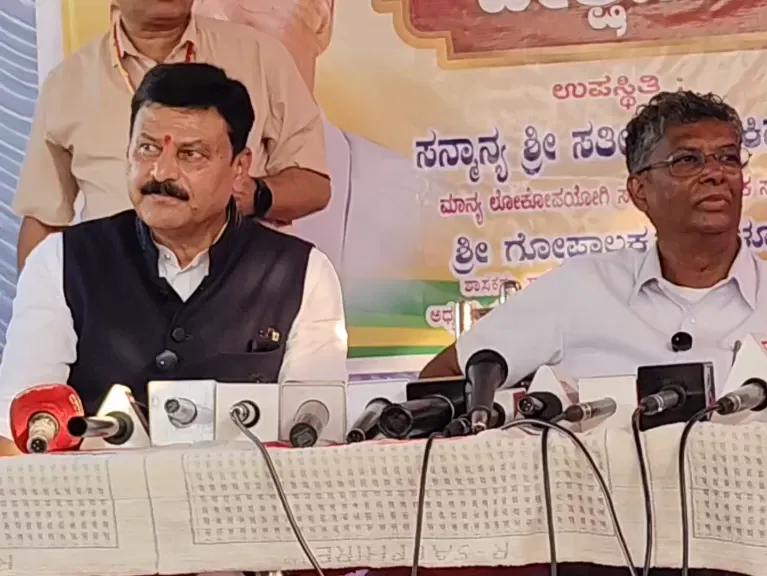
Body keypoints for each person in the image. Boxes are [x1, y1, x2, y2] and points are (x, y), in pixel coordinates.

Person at [419, 91, 767, 395]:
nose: (716, 173)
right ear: (640, 191)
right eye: (688, 160)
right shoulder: (581, 288)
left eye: (728, 158)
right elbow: (441, 381)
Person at [0, 63, 348, 443]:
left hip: (245, 483)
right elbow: (17, 433)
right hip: (97, 481)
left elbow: (314, 444)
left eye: (191, 154)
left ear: (239, 168)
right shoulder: (61, 262)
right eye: (147, 149)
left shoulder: (302, 274)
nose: (161, 172)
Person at [14, 0, 331, 270]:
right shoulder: (68, 83)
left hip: (243, 300)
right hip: (115, 305)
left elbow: (314, 185)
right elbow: (43, 221)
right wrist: (40, 309)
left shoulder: (260, 55)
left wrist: (255, 196)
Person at [191, 0, 451, 286]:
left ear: (323, 18)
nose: (233, 65)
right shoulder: (160, 186)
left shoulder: (421, 206)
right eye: (211, 39)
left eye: (254, 34)